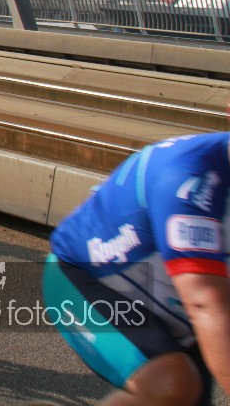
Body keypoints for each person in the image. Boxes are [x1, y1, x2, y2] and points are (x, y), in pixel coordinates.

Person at [45, 131, 230, 406]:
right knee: (172, 384)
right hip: (84, 280)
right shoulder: (189, 177)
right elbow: (205, 303)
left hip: (174, 307)